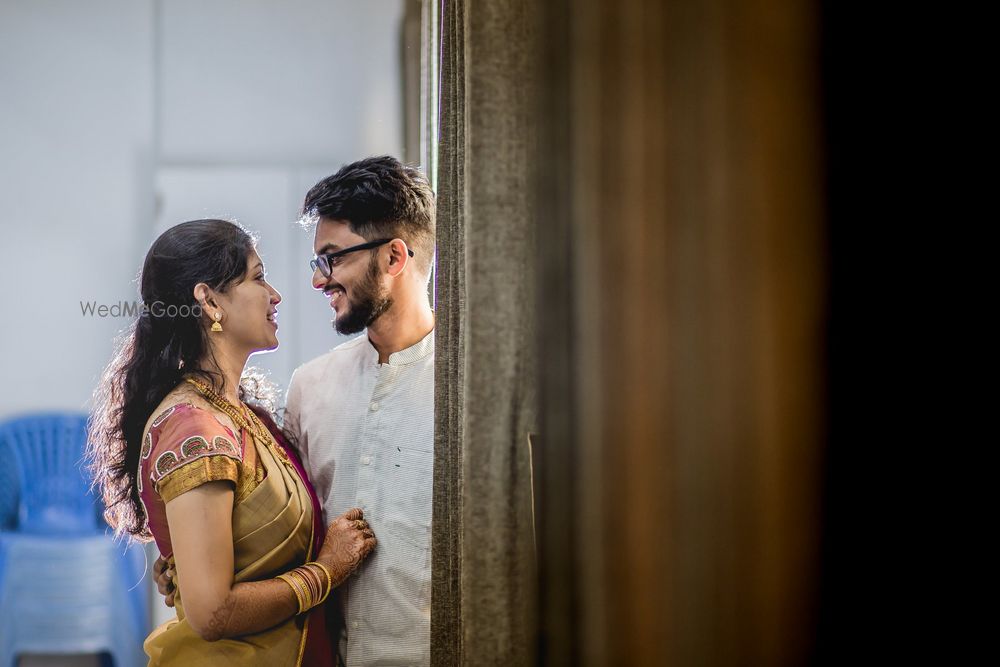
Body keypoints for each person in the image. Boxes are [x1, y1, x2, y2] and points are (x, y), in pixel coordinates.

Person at [87, 219, 376, 666]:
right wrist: (328, 571)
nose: (275, 295)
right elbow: (212, 613)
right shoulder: (196, 429)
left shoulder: (233, 410)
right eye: (258, 277)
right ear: (209, 300)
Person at [285, 155, 436, 665]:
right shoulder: (310, 388)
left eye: (333, 258)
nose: (319, 281)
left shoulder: (469, 395)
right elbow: (287, 531)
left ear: (394, 258)